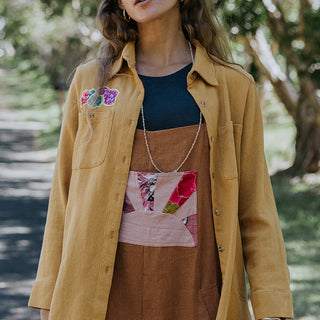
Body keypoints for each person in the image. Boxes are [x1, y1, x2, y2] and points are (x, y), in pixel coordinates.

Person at [28, 0, 294, 319]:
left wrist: (271, 305)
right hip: (98, 303)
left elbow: (256, 208)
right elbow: (63, 199)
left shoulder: (234, 88)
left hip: (198, 300)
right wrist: (47, 297)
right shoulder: (90, 84)